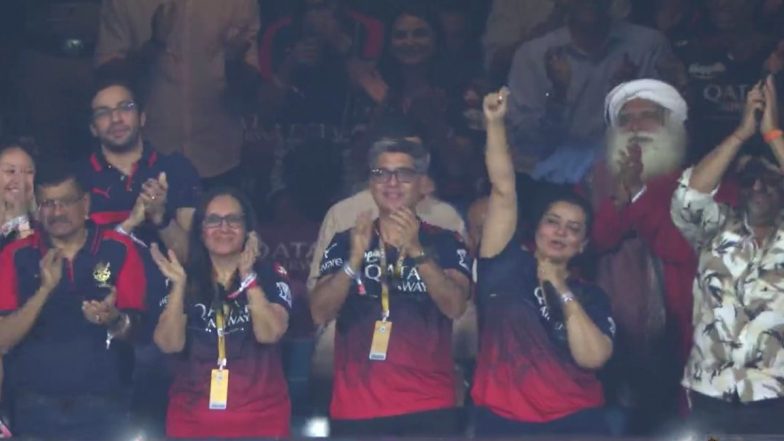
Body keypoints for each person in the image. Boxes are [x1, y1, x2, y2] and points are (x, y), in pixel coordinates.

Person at [472, 88, 615, 435]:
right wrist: (495, 124)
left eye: (573, 228)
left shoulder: (590, 295)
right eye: (553, 221)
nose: (561, 232)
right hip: (501, 421)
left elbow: (593, 358)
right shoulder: (503, 265)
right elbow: (504, 190)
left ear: (581, 245)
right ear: (535, 229)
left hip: (574, 422)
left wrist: (560, 287)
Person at [310, 137, 472, 436]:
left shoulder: (446, 240)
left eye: (404, 174)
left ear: (422, 184)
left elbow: (455, 305)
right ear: (371, 184)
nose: (392, 182)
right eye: (381, 173)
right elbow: (319, 312)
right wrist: (354, 260)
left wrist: (417, 251)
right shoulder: (346, 240)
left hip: (429, 407)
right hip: (356, 407)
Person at [670, 76, 784, 433]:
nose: (759, 186)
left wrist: (772, 135)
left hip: (776, 399)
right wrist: (740, 135)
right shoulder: (717, 228)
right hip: (711, 393)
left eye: (769, 179)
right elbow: (689, 198)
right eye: (750, 179)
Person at [0, 161, 146, 440]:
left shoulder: (117, 248)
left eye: (66, 202)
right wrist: (44, 291)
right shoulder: (16, 255)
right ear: (36, 206)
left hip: (105, 406)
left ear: (86, 203)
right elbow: (3, 340)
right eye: (47, 203)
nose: (57, 212)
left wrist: (113, 319)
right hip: (33, 409)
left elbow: (140, 334)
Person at [151, 187, 292, 438]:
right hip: (192, 423)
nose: (223, 228)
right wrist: (179, 288)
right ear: (200, 231)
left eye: (233, 220)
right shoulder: (182, 277)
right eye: (213, 220)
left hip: (262, 423)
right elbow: (169, 344)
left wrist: (249, 279)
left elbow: (269, 333)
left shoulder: (270, 274)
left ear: (248, 228)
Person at [94, 0, 261, 185]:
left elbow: (250, 89)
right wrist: (153, 47)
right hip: (144, 156)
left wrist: (234, 62)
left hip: (220, 155)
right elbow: (105, 79)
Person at [506, 0, 675, 180]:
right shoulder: (533, 55)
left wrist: (626, 99)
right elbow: (526, 143)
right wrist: (557, 95)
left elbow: (666, 134)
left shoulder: (646, 47)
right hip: (551, 184)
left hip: (628, 179)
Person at [75, 81, 200, 260]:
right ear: (93, 128)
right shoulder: (77, 179)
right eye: (103, 113)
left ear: (142, 117)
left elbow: (191, 260)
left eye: (126, 107)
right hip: (102, 285)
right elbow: (76, 266)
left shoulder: (176, 168)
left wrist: (160, 217)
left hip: (169, 285)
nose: (116, 119)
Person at [676, 0, 778, 160]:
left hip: (765, 167)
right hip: (700, 166)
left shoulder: (775, 53)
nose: (721, 4)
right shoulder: (686, 53)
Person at [0, 137, 37, 250]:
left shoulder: (47, 228)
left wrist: (21, 220)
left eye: (28, 172)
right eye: (10, 171)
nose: (19, 180)